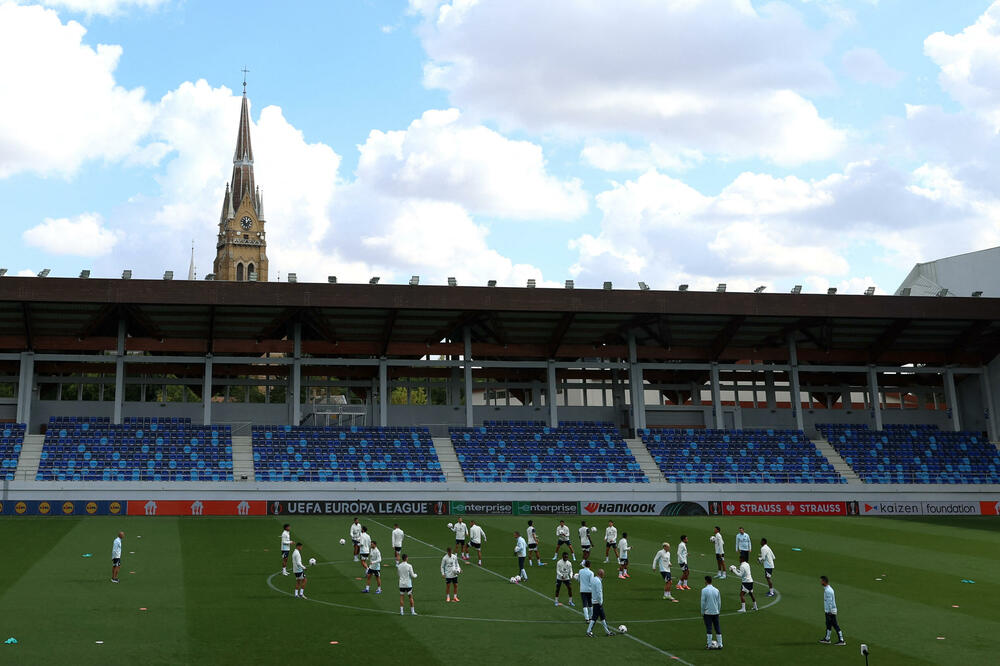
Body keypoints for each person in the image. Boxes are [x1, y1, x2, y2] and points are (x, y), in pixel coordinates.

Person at [586, 569, 615, 637]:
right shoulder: (598, 582)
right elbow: (599, 593)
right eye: (603, 574)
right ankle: (588, 631)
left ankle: (607, 631)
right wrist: (600, 602)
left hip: (594, 600)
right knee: (594, 618)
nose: (604, 575)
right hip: (597, 602)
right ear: (601, 574)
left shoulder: (593, 579)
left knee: (602, 617)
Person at [819, 576, 845, 646]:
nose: (820, 582)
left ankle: (841, 640)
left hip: (831, 611)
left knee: (835, 625)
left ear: (824, 581)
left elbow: (830, 602)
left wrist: (830, 612)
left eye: (821, 581)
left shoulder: (828, 591)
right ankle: (827, 638)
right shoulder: (827, 589)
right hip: (829, 611)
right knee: (828, 624)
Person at [701, 575, 723, 650]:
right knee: (717, 627)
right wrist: (718, 610)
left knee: (709, 628)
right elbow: (719, 602)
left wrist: (702, 611)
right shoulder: (716, 590)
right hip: (716, 612)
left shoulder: (704, 590)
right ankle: (720, 644)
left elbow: (703, 602)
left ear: (706, 581)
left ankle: (709, 644)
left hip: (707, 612)